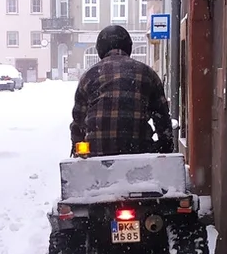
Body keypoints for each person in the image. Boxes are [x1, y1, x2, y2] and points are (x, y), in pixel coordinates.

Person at [69, 25, 174, 157]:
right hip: (139, 155)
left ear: (100, 49)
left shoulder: (89, 76)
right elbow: (161, 116)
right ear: (128, 47)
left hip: (97, 156)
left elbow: (78, 120)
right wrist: (165, 143)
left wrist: (77, 146)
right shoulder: (147, 74)